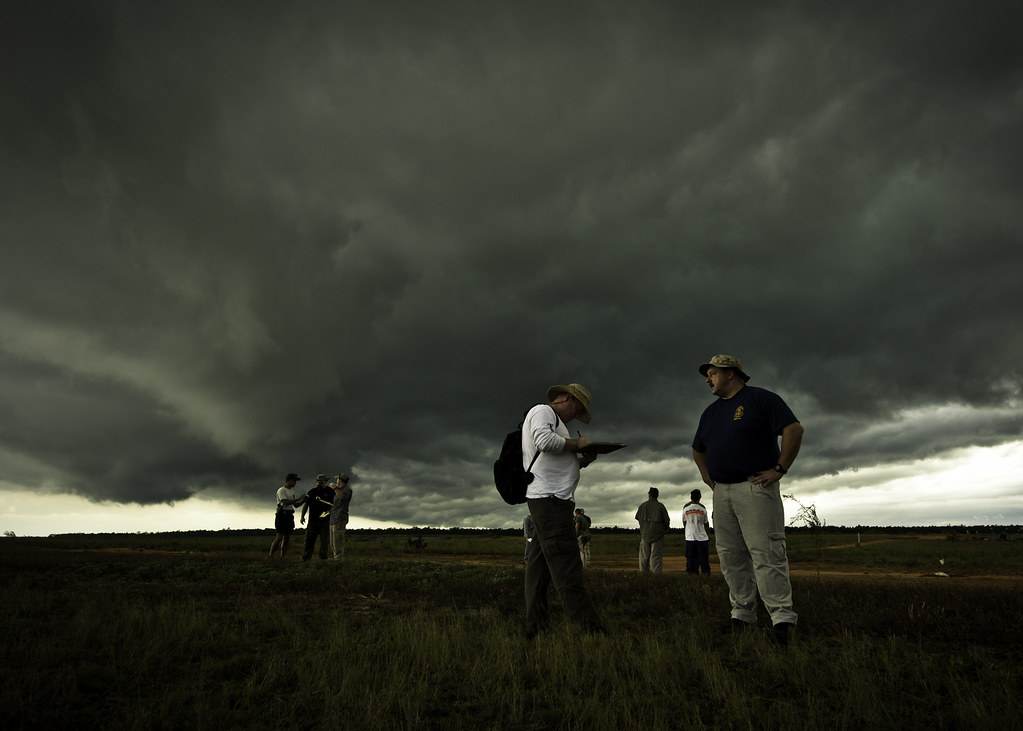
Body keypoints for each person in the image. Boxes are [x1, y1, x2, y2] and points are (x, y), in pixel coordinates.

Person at [691, 354, 804, 645]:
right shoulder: (711, 412)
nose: (707, 379)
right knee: (731, 557)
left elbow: (794, 429)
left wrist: (780, 468)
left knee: (766, 554)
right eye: (708, 374)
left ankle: (782, 620)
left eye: (713, 373)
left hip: (755, 487)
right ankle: (742, 615)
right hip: (723, 492)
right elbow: (698, 448)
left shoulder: (761, 400)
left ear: (731, 373)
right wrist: (707, 476)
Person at [523, 383, 605, 637]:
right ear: (567, 398)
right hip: (551, 500)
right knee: (567, 566)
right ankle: (590, 630)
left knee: (538, 568)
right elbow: (545, 442)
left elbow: (553, 459)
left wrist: (582, 461)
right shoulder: (543, 412)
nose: (575, 417)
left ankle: (534, 628)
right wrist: (577, 443)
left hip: (550, 498)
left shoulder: (557, 422)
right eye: (577, 410)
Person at [269, 473, 307, 559]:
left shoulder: (292, 491)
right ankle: (271, 555)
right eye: (294, 481)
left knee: (287, 537)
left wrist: (303, 501)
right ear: (289, 480)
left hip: (289, 515)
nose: (295, 483)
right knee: (279, 536)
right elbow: (285, 502)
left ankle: (282, 556)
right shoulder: (281, 490)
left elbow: (295, 505)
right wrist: (300, 498)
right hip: (282, 515)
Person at [635, 487, 670, 573]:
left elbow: (639, 520)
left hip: (645, 534)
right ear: (657, 495)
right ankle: (656, 575)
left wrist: (643, 529)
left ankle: (644, 573)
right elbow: (666, 521)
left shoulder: (642, 506)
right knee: (656, 556)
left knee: (643, 556)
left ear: (649, 495)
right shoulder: (660, 506)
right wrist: (666, 529)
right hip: (658, 535)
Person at [300, 474, 334, 561]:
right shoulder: (312, 492)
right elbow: (306, 504)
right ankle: (306, 558)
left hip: (325, 520)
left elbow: (333, 505)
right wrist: (302, 516)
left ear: (325, 482)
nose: (319, 483)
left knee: (324, 542)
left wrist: (329, 513)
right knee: (309, 541)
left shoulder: (330, 491)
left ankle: (323, 559)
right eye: (318, 481)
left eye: (321, 481)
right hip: (313, 520)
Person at [683, 489, 711, 575]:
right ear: (700, 497)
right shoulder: (703, 510)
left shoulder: (685, 509)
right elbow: (706, 523)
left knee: (690, 557)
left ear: (691, 497)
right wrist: (708, 535)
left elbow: (684, 522)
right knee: (703, 558)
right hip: (702, 537)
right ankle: (705, 573)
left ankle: (691, 573)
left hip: (690, 537)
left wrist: (688, 530)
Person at [329, 473, 353, 559]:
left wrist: (335, 488)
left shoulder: (347, 490)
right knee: (332, 543)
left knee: (337, 542)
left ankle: (338, 561)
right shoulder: (336, 490)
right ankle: (336, 559)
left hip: (340, 519)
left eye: (337, 479)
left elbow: (342, 497)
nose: (336, 481)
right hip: (332, 519)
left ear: (340, 480)